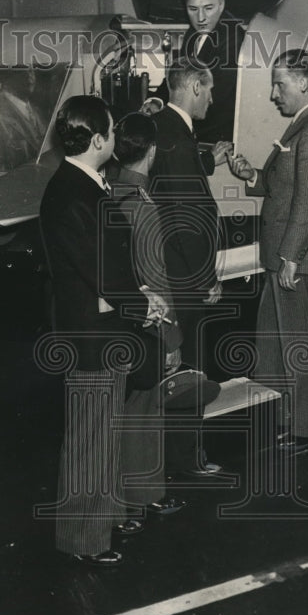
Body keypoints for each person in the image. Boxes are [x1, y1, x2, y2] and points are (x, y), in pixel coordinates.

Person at [38, 95, 167, 567]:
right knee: (90, 437)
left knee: (102, 430)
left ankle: (105, 518)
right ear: (97, 140)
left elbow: (108, 265)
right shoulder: (76, 191)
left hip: (102, 323)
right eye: (111, 131)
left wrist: (139, 295)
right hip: (92, 333)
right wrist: (144, 307)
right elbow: (100, 269)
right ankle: (83, 541)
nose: (116, 139)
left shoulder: (84, 184)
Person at [228, 50, 308, 453]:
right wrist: (253, 176)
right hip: (286, 257)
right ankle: (291, 420)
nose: (274, 93)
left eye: (279, 84)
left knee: (302, 344)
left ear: (303, 82)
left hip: (299, 260)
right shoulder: (303, 125)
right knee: (281, 343)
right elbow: (288, 185)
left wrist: (291, 258)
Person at [147, 60, 231, 478]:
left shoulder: (163, 127)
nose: (212, 100)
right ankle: (187, 457)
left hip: (164, 268)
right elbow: (186, 217)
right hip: (184, 275)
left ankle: (170, 456)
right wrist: (206, 276)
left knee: (172, 364)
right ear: (195, 86)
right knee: (190, 365)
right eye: (210, 91)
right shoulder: (179, 140)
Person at [107, 111, 187, 520]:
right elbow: (158, 280)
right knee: (145, 410)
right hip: (149, 324)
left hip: (118, 320)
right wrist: (172, 340)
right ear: (151, 152)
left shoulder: (111, 193)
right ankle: (146, 494)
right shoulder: (144, 207)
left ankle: (124, 492)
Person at [153, 0, 244, 144]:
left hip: (213, 137)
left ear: (222, 4)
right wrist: (156, 101)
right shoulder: (192, 33)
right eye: (193, 9)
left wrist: (166, 119)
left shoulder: (233, 38)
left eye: (208, 8)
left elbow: (213, 100)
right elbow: (178, 77)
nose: (200, 18)